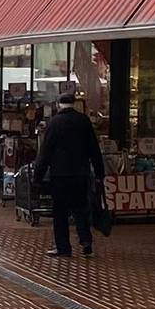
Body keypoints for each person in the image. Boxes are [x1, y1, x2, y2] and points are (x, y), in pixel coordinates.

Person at [33, 93, 104, 257]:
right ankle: (86, 242)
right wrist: (100, 172)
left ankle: (63, 247)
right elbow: (94, 148)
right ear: (74, 104)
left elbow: (45, 152)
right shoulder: (84, 121)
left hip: (60, 175)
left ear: (59, 104)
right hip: (81, 173)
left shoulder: (54, 123)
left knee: (60, 212)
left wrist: (38, 176)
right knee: (81, 208)